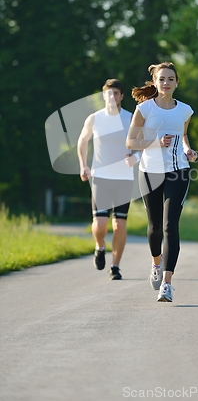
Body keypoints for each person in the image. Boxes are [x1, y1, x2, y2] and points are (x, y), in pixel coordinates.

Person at [126, 62, 197, 302]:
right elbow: (131, 142)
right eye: (162, 79)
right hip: (149, 171)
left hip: (178, 170)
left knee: (170, 226)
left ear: (177, 83)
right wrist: (156, 143)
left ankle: (166, 284)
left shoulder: (185, 110)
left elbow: (183, 134)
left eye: (170, 79)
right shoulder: (144, 109)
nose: (166, 83)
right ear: (155, 83)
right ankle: (156, 263)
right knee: (155, 227)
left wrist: (188, 150)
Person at [77, 79, 139, 280]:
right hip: (100, 177)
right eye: (108, 93)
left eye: (116, 93)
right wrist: (83, 165)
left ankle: (115, 266)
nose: (112, 97)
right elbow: (82, 141)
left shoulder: (130, 119)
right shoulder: (95, 118)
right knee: (101, 223)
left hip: (123, 178)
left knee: (119, 225)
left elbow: (141, 145)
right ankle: (100, 245)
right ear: (103, 96)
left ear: (121, 96)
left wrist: (135, 158)